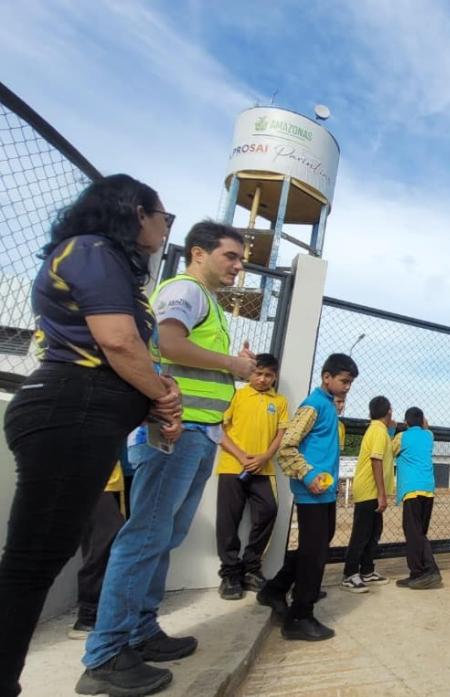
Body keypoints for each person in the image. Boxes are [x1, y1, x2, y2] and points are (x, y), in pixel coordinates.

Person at [0, 173, 179, 697]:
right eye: (163, 217)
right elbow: (119, 343)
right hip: (70, 407)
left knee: (39, 557)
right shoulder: (93, 250)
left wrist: (148, 399)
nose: (166, 228)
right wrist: (162, 395)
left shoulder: (107, 261)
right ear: (134, 213)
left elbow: (121, 350)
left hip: (82, 412)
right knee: (33, 561)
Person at [79, 221, 252, 695]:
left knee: (163, 535)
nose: (239, 266)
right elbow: (169, 344)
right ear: (199, 253)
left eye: (240, 259)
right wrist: (235, 366)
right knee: (145, 537)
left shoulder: (208, 302)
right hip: (176, 431)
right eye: (230, 257)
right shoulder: (186, 290)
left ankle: (140, 631)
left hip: (198, 433)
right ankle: (106, 655)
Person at [256, 353, 357, 642]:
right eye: (344, 381)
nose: (347, 387)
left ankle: (274, 590)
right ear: (327, 378)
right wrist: (309, 476)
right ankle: (299, 617)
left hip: (324, 492)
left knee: (318, 544)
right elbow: (287, 446)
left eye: (350, 383)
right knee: (314, 554)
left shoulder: (328, 407)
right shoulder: (313, 406)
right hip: (311, 490)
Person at [216, 353, 288, 600]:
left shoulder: (279, 402)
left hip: (263, 469)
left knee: (269, 510)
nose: (262, 378)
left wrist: (265, 456)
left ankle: (251, 568)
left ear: (274, 377)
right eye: (258, 373)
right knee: (228, 521)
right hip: (232, 466)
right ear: (250, 373)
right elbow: (220, 429)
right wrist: (240, 455)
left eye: (268, 375)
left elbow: (280, 434)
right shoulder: (237, 395)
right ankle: (229, 574)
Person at [342, 396, 395, 593]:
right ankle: (349, 574)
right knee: (362, 534)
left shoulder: (378, 429)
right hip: (368, 491)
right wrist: (382, 494)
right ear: (388, 412)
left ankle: (367, 570)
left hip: (371, 491)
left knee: (373, 532)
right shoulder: (378, 431)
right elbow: (376, 461)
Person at [70, 459, 128, 639]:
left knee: (105, 542)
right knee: (104, 540)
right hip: (86, 477)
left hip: (110, 479)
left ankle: (101, 610)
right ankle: (88, 615)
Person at [394, 407, 442, 590]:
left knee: (413, 533)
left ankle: (424, 572)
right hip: (428, 491)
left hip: (411, 490)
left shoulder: (402, 437)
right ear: (422, 421)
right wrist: (422, 424)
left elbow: (390, 450)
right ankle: (423, 572)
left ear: (406, 422)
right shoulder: (429, 436)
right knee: (419, 533)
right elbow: (427, 427)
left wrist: (394, 429)